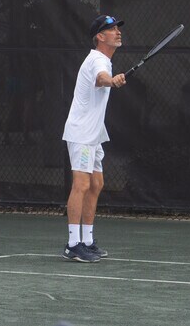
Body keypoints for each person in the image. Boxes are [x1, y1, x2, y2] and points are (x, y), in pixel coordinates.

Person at [61, 14, 126, 262]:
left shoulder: (102, 59)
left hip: (94, 134)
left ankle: (87, 241)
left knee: (96, 184)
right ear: (100, 36)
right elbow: (101, 79)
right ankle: (72, 244)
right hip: (82, 134)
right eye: (111, 29)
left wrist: (111, 80)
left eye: (118, 28)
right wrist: (112, 81)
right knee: (82, 185)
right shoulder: (99, 60)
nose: (118, 32)